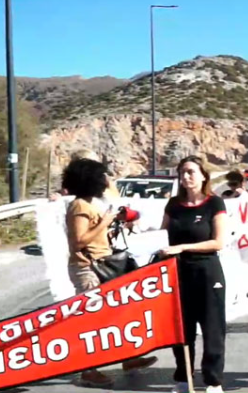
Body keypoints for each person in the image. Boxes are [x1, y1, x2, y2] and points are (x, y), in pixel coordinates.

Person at [64, 158, 157, 388]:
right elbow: (78, 242)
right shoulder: (79, 206)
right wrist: (105, 221)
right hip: (88, 268)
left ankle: (129, 358)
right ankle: (88, 369)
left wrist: (114, 228)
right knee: (92, 319)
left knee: (117, 313)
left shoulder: (88, 204)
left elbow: (94, 237)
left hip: (100, 263)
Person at [160, 156, 227, 393]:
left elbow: (218, 242)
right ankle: (183, 377)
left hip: (207, 273)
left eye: (190, 172)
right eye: (182, 173)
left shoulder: (215, 203)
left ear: (203, 175)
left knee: (212, 330)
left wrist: (183, 247)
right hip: (178, 275)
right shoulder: (173, 205)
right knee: (181, 329)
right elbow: (162, 235)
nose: (186, 177)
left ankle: (213, 381)